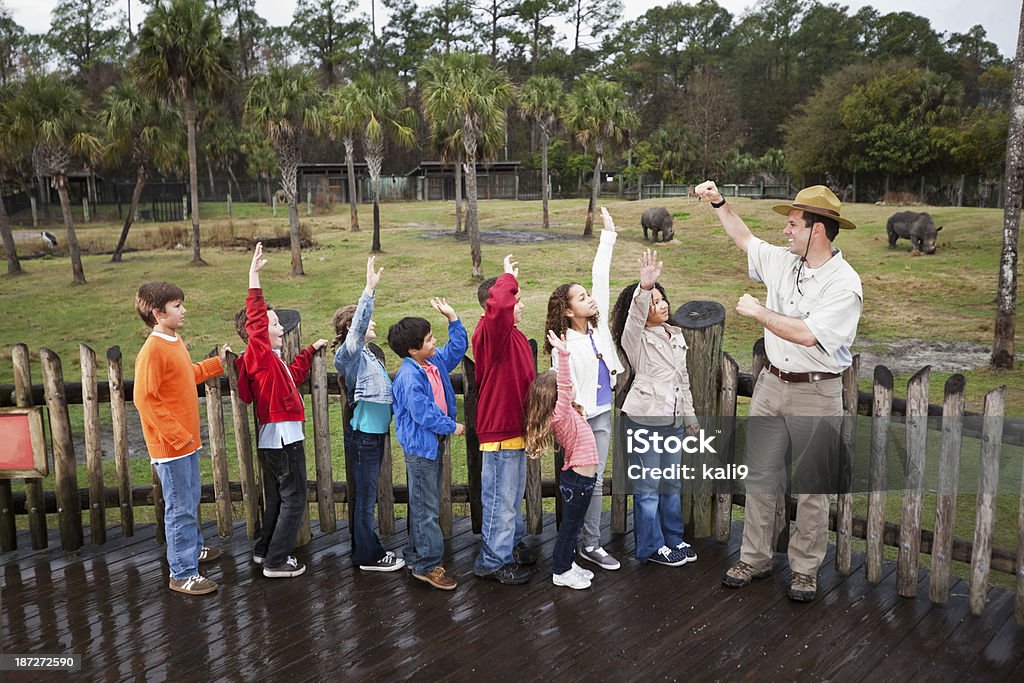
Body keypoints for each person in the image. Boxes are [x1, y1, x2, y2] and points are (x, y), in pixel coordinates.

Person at [694, 181, 862, 602]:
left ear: (817, 231)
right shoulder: (786, 261)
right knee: (760, 476)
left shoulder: (844, 284)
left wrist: (758, 312)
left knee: (812, 486)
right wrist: (718, 202)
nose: (786, 231)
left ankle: (804, 571)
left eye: (793, 224)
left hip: (817, 392)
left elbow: (808, 335)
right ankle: (755, 558)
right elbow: (744, 238)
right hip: (771, 384)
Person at [234, 243, 328, 579]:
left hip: (273, 440)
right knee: (295, 499)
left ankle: (264, 551)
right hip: (284, 438)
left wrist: (309, 351)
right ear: (256, 332)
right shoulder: (258, 353)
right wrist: (254, 277)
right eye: (274, 324)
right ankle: (276, 562)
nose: (279, 328)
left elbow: (294, 375)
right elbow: (257, 323)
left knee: (276, 499)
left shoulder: (269, 363)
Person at [133, 280, 229, 595]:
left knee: (189, 500)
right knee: (179, 507)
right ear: (157, 313)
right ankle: (182, 572)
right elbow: (144, 399)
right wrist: (176, 437)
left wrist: (217, 365)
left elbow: (187, 374)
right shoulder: (152, 350)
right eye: (177, 306)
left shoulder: (174, 340)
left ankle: (193, 548)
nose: (183, 310)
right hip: (172, 446)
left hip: (186, 442)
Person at [544, 206, 625, 571]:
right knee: (580, 484)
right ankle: (576, 544)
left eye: (588, 295)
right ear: (566, 309)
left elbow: (601, 277)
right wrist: (573, 406)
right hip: (579, 423)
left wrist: (608, 235)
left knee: (595, 482)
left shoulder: (597, 331)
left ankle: (590, 543)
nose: (590, 298)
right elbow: (562, 384)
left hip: (603, 415)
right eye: (581, 297)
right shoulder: (563, 342)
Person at [610, 247, 699, 567]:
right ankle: (651, 546)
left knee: (671, 483)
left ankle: (673, 538)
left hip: (673, 420)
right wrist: (644, 288)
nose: (661, 305)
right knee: (647, 488)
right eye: (654, 302)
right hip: (645, 420)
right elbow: (635, 316)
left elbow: (683, 380)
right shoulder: (634, 339)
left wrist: (689, 416)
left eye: (662, 300)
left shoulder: (675, 335)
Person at [389, 298, 468, 591]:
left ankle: (414, 555)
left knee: (422, 503)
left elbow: (457, 348)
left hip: (431, 446)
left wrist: (453, 318)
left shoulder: (431, 361)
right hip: (422, 449)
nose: (435, 342)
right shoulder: (410, 377)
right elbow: (423, 412)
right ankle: (426, 565)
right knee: (427, 508)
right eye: (429, 339)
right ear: (412, 349)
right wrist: (452, 426)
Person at [332, 256, 404, 572]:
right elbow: (361, 326)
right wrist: (369, 290)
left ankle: (366, 549)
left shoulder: (368, 357)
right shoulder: (348, 355)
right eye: (365, 321)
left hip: (374, 435)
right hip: (364, 437)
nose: (372, 323)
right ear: (352, 327)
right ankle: (367, 556)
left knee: (366, 496)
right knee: (364, 499)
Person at [471, 254, 537, 585]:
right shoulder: (490, 333)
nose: (517, 306)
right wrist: (507, 276)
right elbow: (499, 304)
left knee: (511, 498)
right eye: (515, 300)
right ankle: (492, 560)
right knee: (500, 500)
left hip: (516, 430)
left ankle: (508, 546)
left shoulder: (515, 337)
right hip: (499, 433)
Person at [524, 331, 600, 590]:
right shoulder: (562, 413)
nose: (570, 386)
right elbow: (566, 384)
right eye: (564, 388)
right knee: (570, 528)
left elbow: (565, 386)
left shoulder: (566, 414)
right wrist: (564, 354)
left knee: (574, 525)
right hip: (579, 480)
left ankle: (569, 562)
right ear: (558, 396)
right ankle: (561, 570)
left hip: (581, 478)